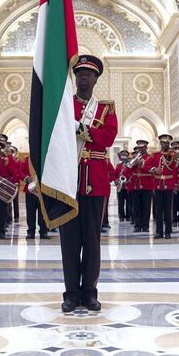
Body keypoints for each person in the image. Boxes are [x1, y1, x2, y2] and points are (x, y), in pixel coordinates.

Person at [59, 54, 118, 313]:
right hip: (67, 180)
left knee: (92, 241)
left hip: (95, 181)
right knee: (69, 241)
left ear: (96, 79)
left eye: (88, 74)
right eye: (79, 73)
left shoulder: (106, 109)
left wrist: (81, 130)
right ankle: (71, 293)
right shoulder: (64, 107)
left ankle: (90, 291)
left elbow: (107, 138)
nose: (83, 77)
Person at [145, 134, 177, 239]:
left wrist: (175, 184)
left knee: (168, 210)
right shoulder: (155, 155)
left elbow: (176, 170)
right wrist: (154, 169)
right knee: (158, 210)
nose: (165, 145)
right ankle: (159, 232)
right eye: (164, 143)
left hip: (168, 185)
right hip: (158, 185)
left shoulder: (173, 155)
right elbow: (146, 165)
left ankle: (168, 232)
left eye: (167, 143)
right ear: (160, 143)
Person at [114, 150, 130, 221]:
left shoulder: (129, 165)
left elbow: (131, 174)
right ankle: (121, 216)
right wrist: (116, 181)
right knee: (120, 202)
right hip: (120, 186)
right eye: (122, 156)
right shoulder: (118, 165)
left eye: (125, 155)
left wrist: (128, 180)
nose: (123, 157)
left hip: (128, 186)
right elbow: (115, 174)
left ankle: (128, 216)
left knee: (128, 202)